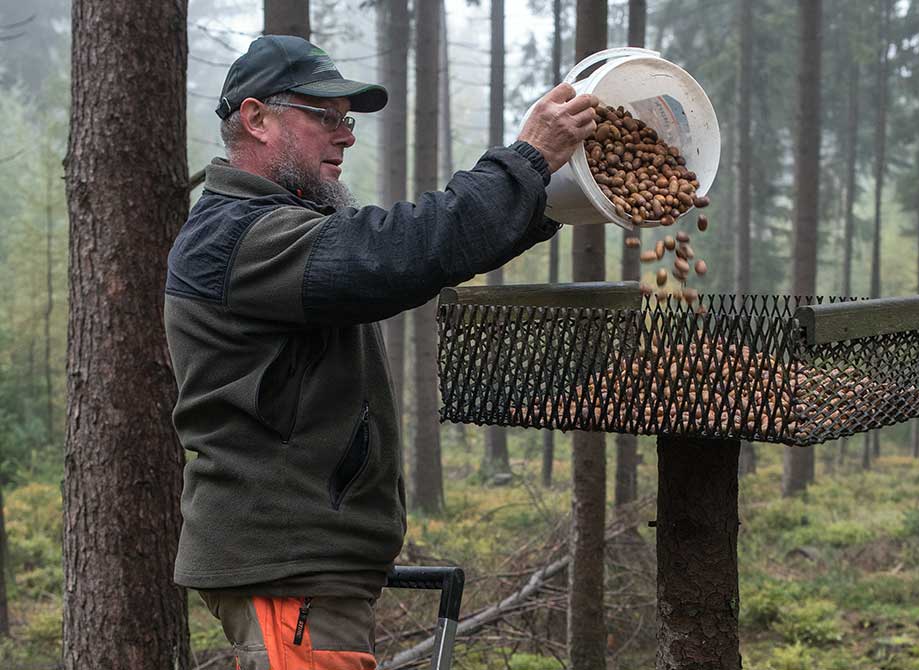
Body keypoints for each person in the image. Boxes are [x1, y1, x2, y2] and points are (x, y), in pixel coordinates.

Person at [164, 34, 597, 670]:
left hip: (306, 570)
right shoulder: (237, 236)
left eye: (349, 120)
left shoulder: (266, 226)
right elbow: (401, 253)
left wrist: (555, 193)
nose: (346, 137)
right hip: (291, 572)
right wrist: (528, 160)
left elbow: (424, 251)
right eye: (324, 117)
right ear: (256, 118)